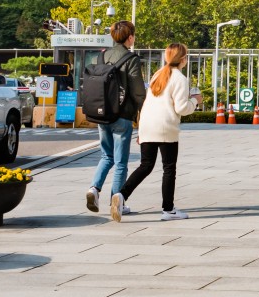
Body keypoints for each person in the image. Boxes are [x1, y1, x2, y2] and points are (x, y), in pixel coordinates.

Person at [111, 43, 200, 222]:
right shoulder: (180, 79)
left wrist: (141, 131)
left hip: (148, 125)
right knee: (169, 168)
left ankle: (121, 195)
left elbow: (147, 103)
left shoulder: (158, 75)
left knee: (146, 166)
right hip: (166, 127)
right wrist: (195, 101)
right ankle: (168, 209)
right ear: (183, 59)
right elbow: (182, 108)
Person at [86, 20, 145, 216]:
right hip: (122, 116)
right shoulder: (131, 59)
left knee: (106, 156)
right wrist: (141, 113)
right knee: (120, 162)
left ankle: (94, 189)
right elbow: (137, 92)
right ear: (130, 37)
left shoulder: (100, 57)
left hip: (102, 114)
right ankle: (117, 202)